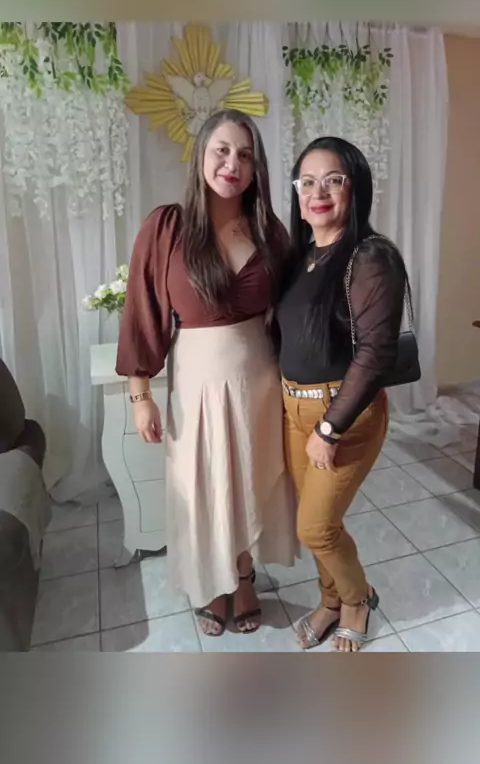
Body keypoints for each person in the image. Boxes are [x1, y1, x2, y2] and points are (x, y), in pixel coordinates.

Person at [116, 109, 298, 637]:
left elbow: (293, 310)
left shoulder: (269, 231)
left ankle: (242, 576)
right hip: (196, 382)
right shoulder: (167, 227)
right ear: (201, 155)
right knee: (204, 485)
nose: (231, 164)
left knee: (249, 481)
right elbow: (143, 311)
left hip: (259, 380)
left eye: (245, 155)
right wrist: (140, 395)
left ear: (256, 167)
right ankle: (212, 582)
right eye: (221, 150)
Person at [275, 136, 407, 652]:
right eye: (307, 182)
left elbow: (376, 353)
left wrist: (329, 428)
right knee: (318, 521)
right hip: (292, 408)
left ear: (356, 187)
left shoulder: (370, 256)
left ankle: (356, 599)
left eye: (333, 180)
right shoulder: (301, 257)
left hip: (342, 415)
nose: (319, 192)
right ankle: (329, 601)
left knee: (316, 527)